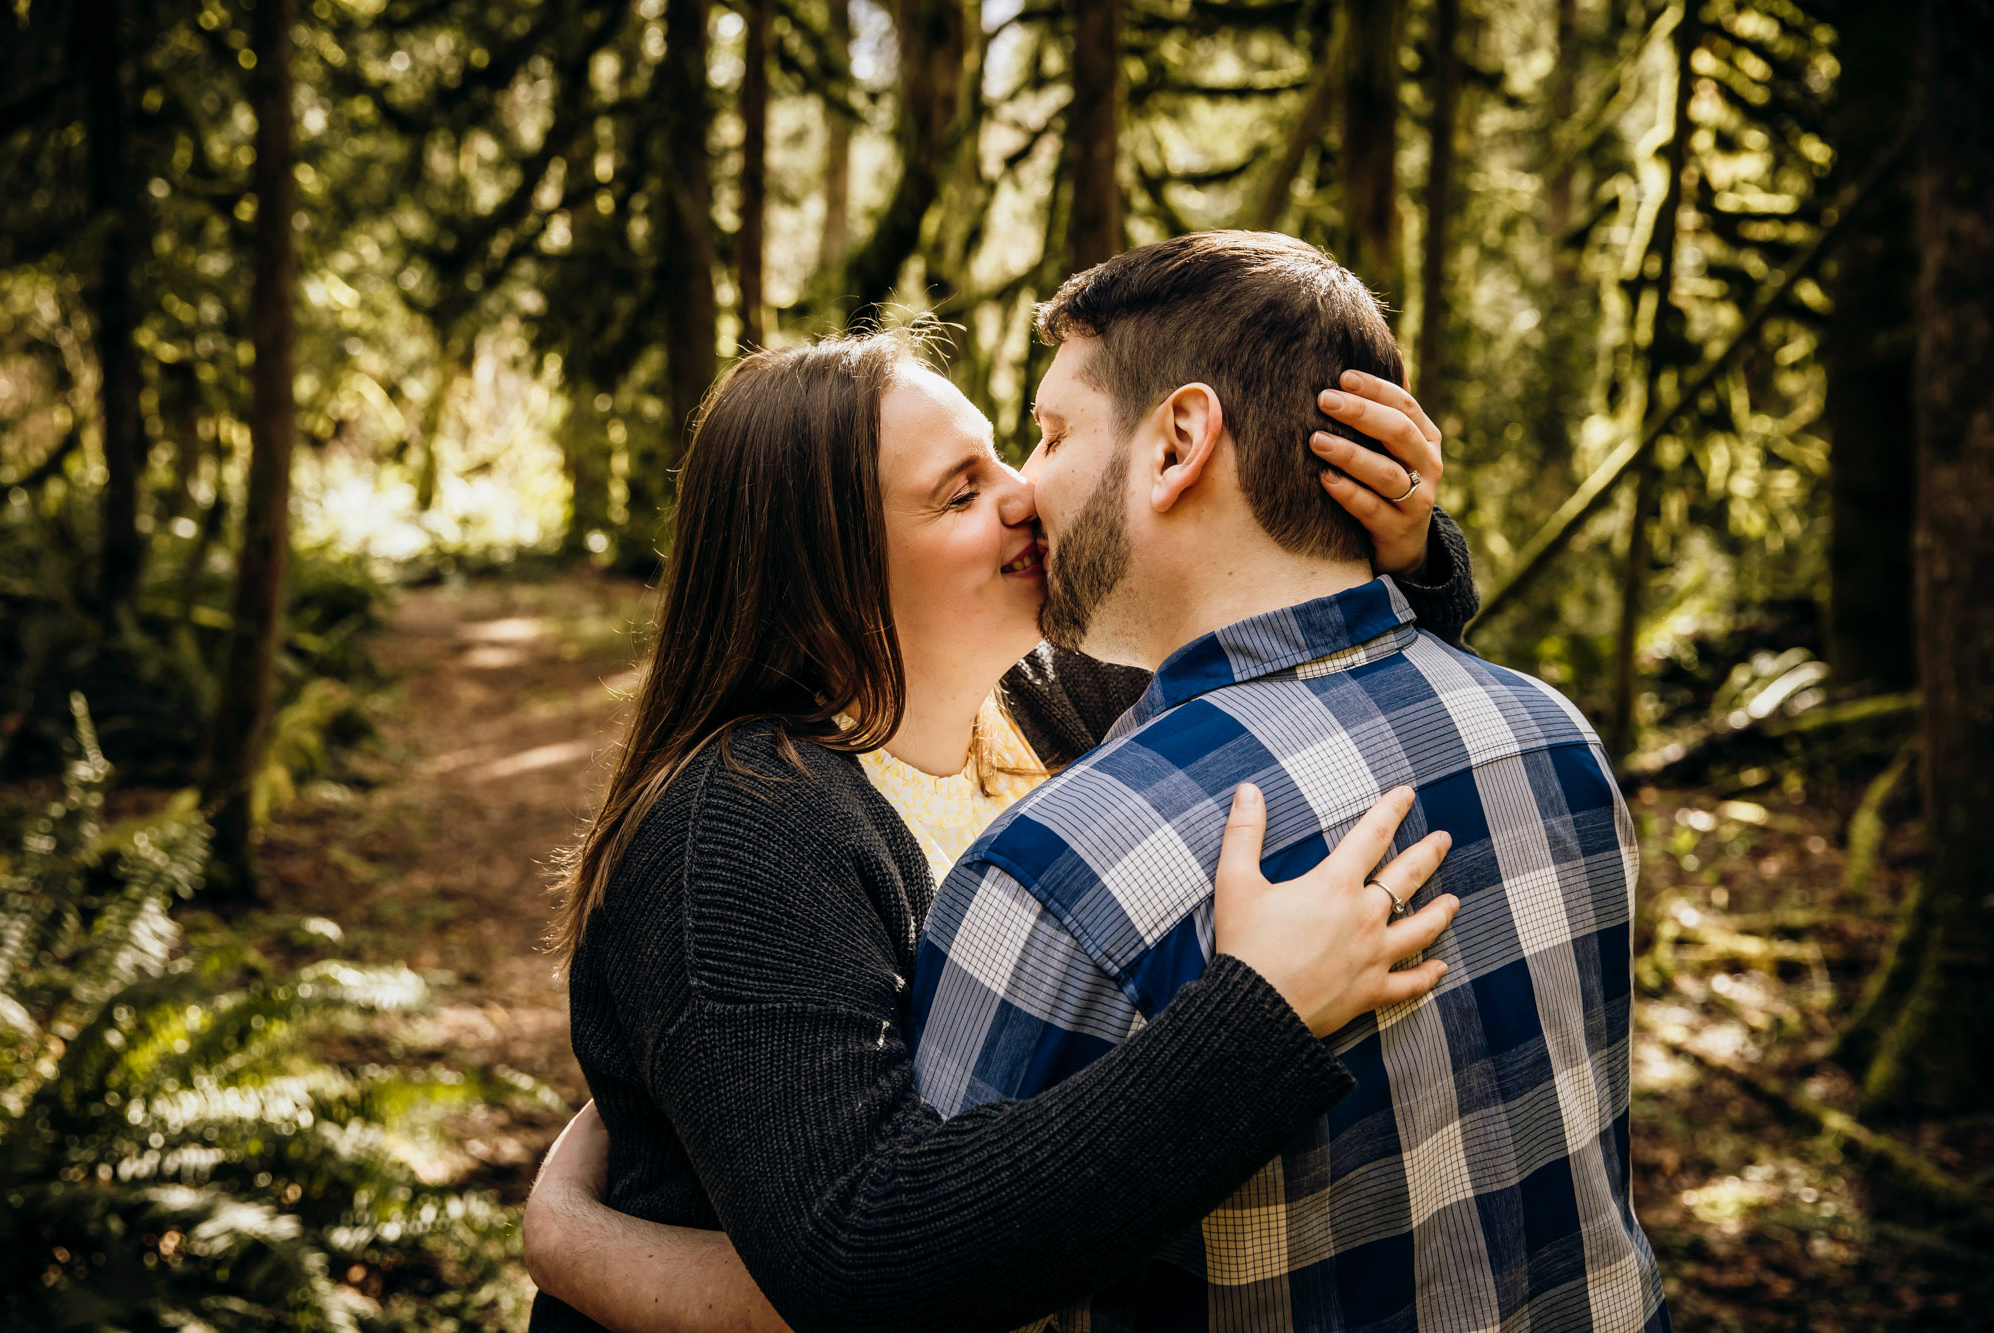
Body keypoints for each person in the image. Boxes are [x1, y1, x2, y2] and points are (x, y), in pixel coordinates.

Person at [522, 269, 1481, 1333]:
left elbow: (1296, 694)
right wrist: (1255, 1019)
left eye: (1004, 453)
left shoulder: (1048, 700)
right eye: (959, 491)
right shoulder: (738, 832)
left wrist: (1401, 558)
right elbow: (860, 1249)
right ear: (824, 570)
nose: (1024, 492)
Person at [906, 231, 1670, 1331]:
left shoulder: (1056, 877)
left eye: (1050, 431)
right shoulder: (1549, 736)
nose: (1024, 491)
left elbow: (922, 1293)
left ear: (1176, 442)